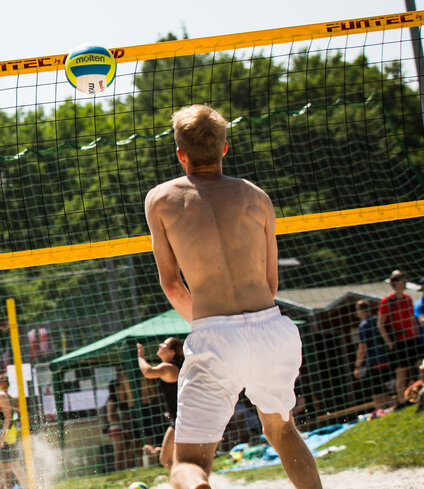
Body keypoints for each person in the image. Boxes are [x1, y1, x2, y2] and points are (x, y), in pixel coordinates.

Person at [144, 104, 322, 489]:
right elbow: (270, 283)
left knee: (187, 461)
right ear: (225, 148)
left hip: (215, 333)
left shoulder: (161, 199)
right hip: (273, 329)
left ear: (180, 154)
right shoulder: (257, 197)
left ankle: (199, 484)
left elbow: (172, 284)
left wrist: (212, 329)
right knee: (282, 431)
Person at [378, 270, 424, 403]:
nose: (405, 282)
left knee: (422, 366)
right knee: (402, 373)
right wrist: (388, 342)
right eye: (402, 280)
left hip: (412, 339)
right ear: (395, 283)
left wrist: (416, 334)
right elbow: (380, 324)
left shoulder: (407, 298)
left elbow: (412, 318)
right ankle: (402, 402)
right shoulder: (387, 301)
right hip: (398, 341)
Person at [136, 337, 184, 471]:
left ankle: (183, 484)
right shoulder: (175, 367)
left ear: (171, 352)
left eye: (164, 344)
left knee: (166, 459)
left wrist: (140, 357)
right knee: (175, 459)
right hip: (183, 418)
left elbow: (148, 372)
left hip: (182, 420)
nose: (160, 345)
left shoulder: (168, 367)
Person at [353, 299, 394, 411]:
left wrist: (357, 365)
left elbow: (362, 347)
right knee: (385, 390)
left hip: (374, 362)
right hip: (389, 359)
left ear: (359, 311)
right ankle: (394, 407)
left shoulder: (364, 325)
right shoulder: (378, 320)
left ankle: (382, 413)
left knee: (377, 394)